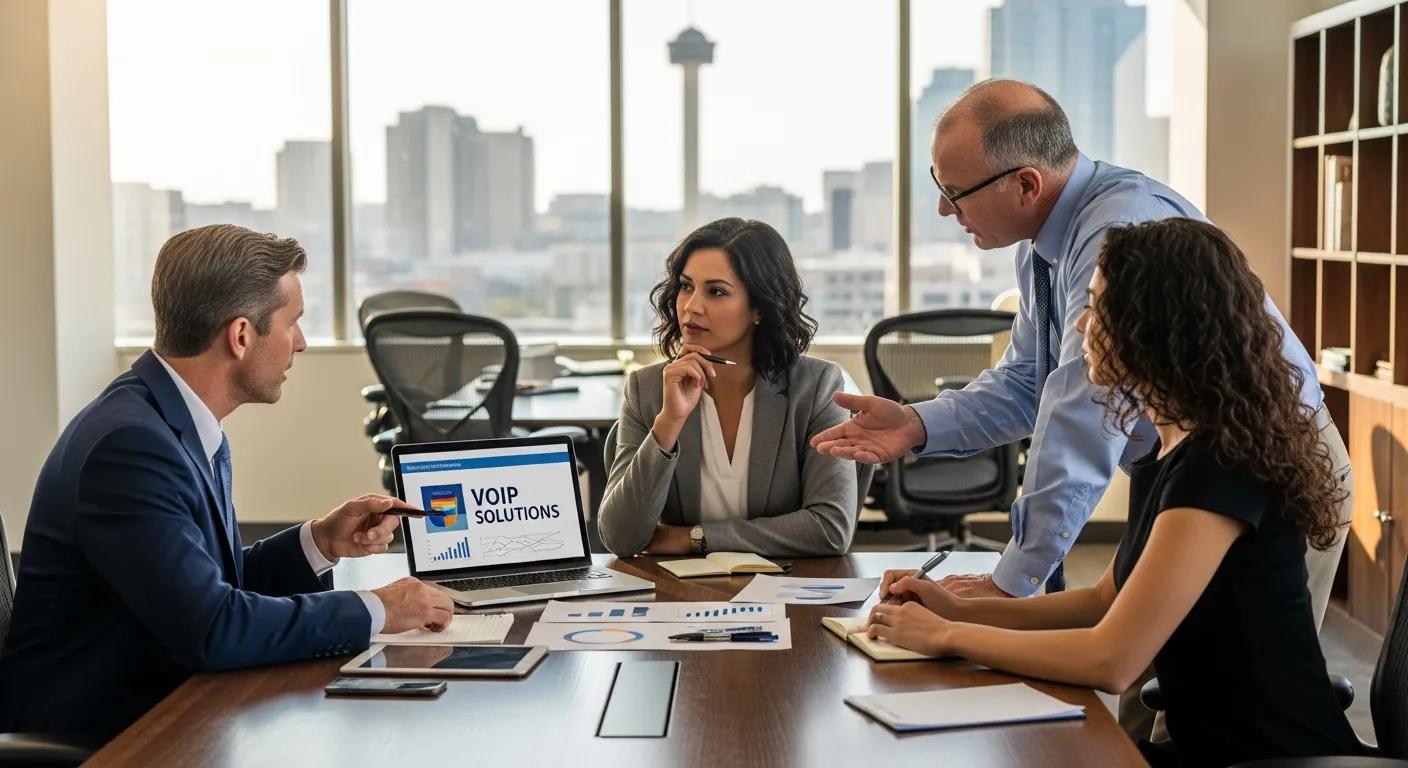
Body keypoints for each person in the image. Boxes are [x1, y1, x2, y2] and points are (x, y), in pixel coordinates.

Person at [811, 78, 1348, 616]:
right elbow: (1029, 380)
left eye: (955, 192)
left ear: (1025, 184)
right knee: (1152, 680)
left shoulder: (1117, 231)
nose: (945, 210)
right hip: (1181, 467)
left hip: (1259, 465)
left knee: (1220, 680)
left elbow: (1083, 412)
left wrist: (1011, 582)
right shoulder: (1041, 248)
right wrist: (917, 423)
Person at [865, 219, 1362, 768]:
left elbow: (1113, 659)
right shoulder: (1171, 449)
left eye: (1099, 307)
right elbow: (1105, 600)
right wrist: (961, 609)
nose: (1081, 323)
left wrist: (949, 634)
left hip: (1265, 758)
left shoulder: (1219, 466)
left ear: (1152, 326)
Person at [0, 225, 453, 742]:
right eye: (293, 323)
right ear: (241, 336)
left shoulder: (174, 421)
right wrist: (378, 608)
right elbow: (214, 628)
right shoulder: (129, 448)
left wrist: (320, 542)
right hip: (107, 732)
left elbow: (213, 586)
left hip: (172, 702)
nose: (300, 343)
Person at [598, 218, 858, 557]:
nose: (691, 306)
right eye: (686, 286)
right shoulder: (646, 389)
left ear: (760, 309)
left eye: (716, 292)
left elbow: (830, 528)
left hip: (786, 594)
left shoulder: (817, 388)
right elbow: (620, 538)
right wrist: (668, 423)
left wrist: (694, 538)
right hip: (680, 596)